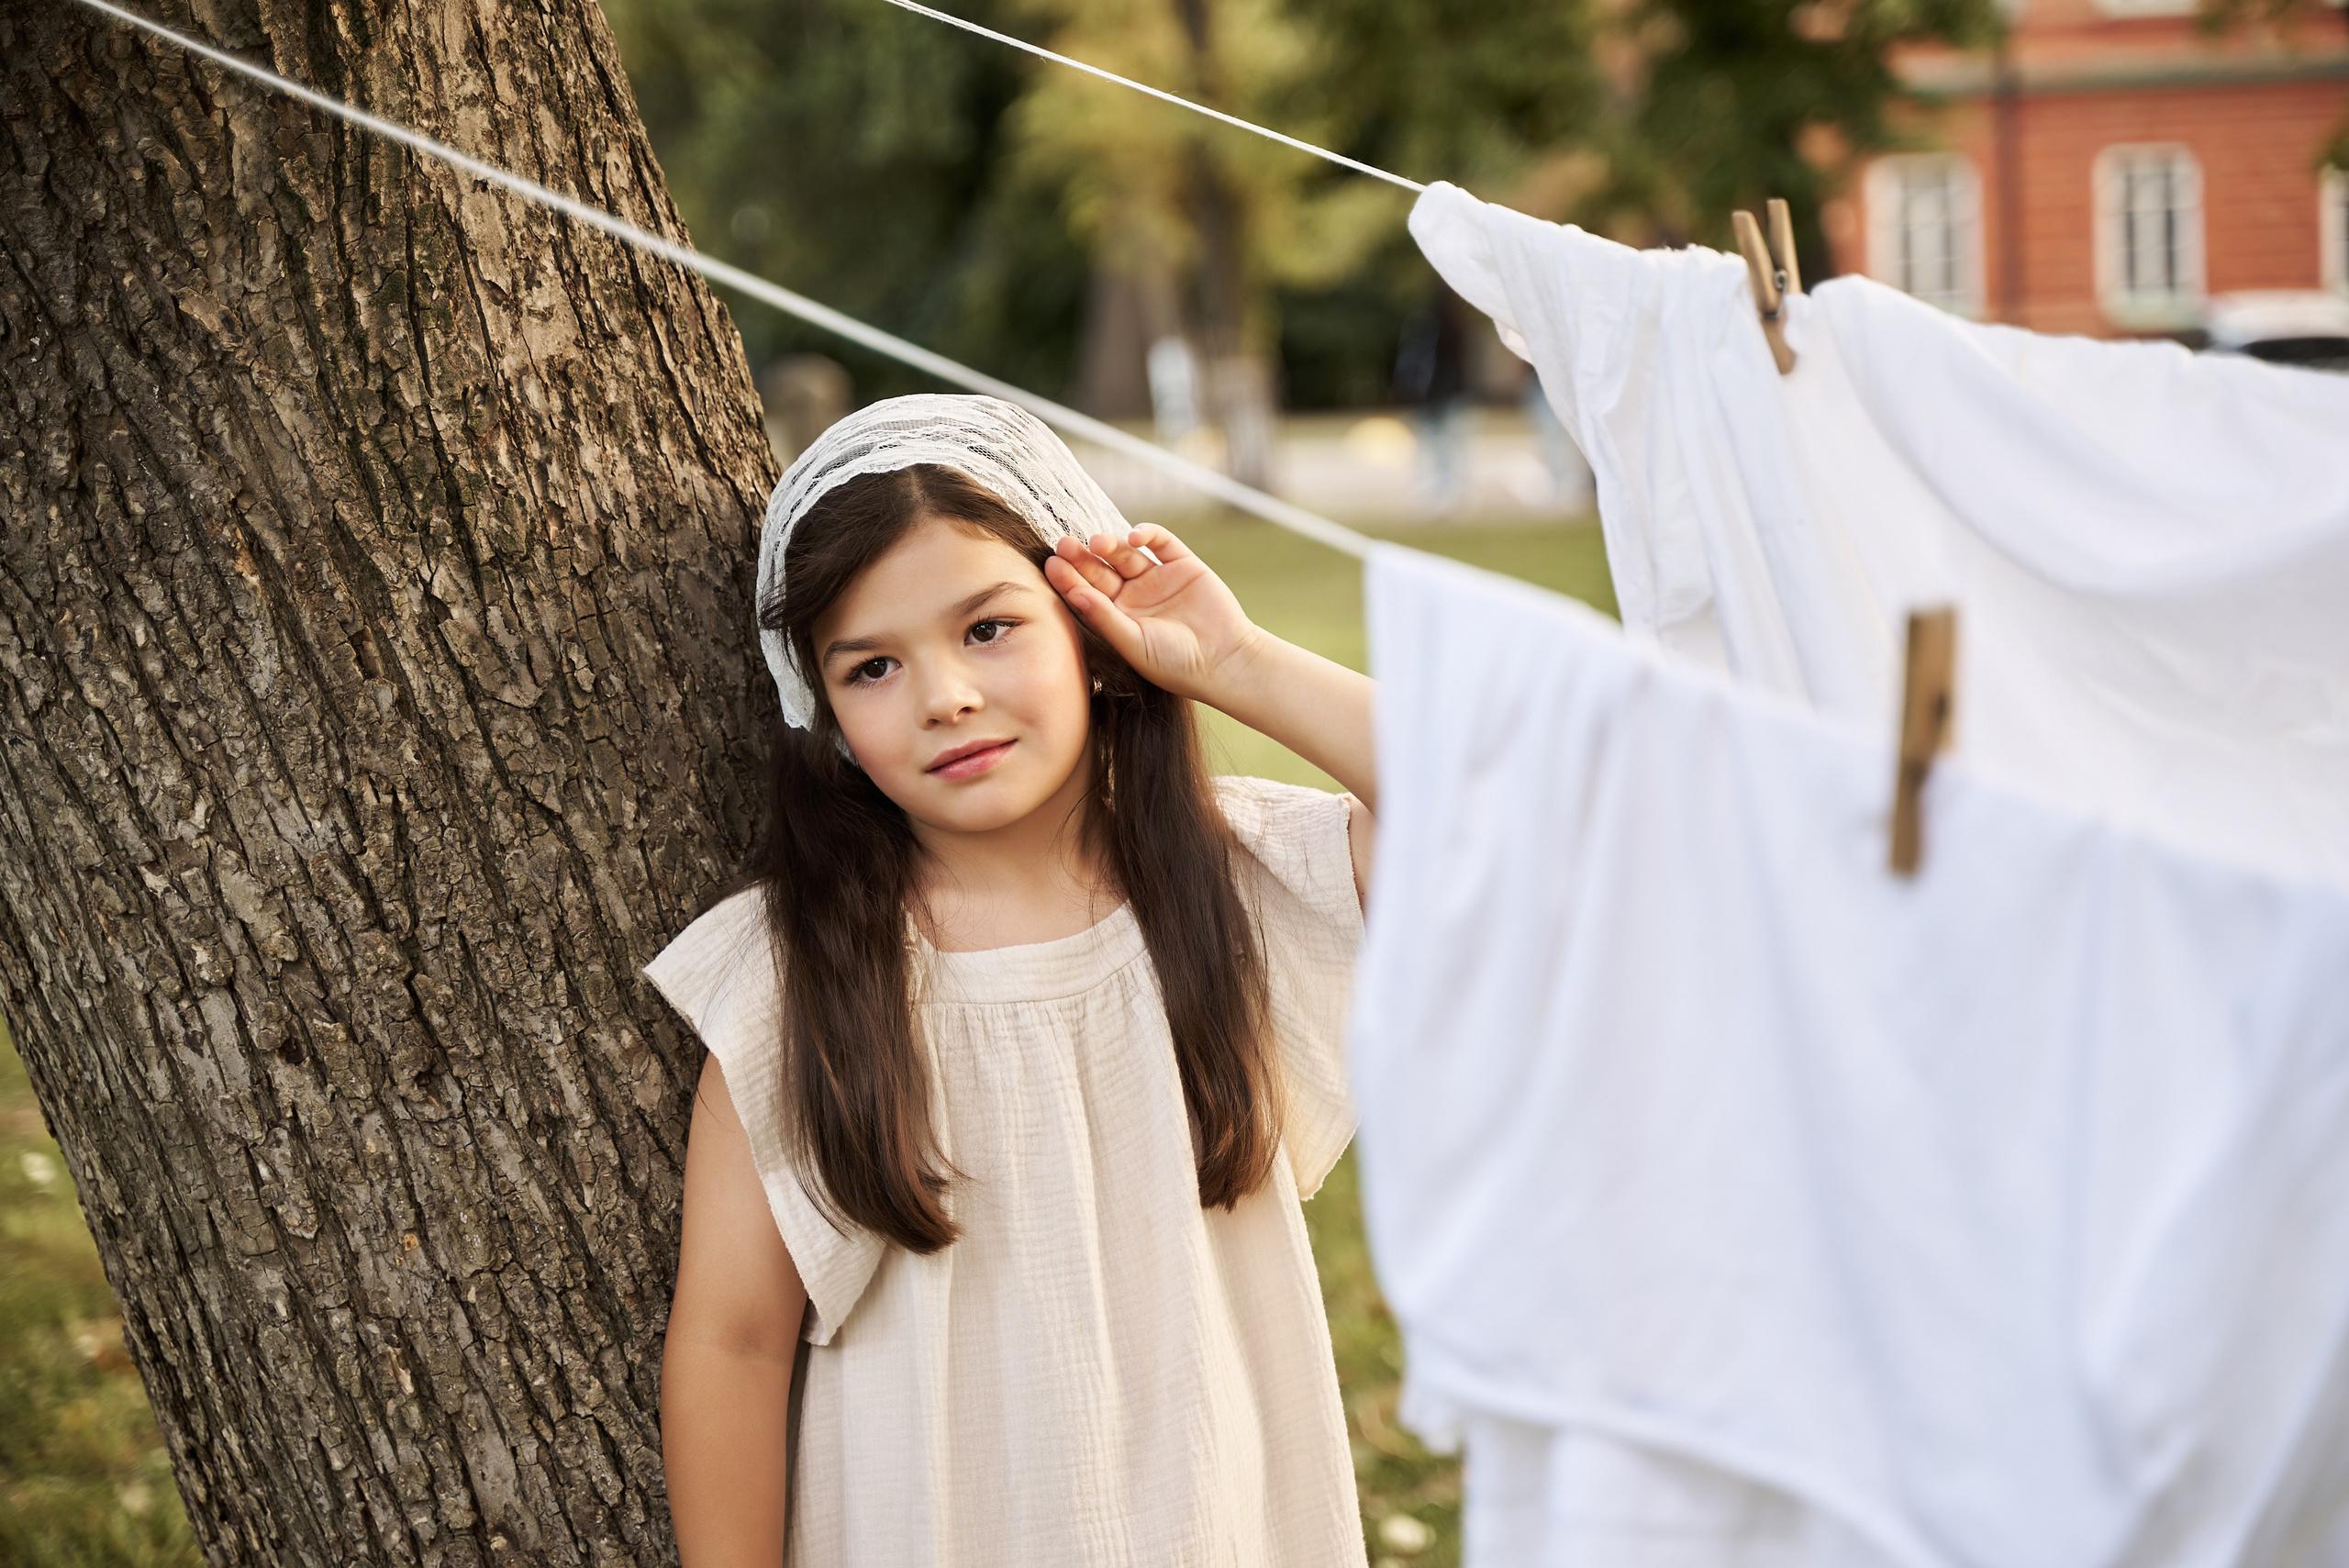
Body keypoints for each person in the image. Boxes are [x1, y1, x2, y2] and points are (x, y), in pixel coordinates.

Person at [647, 394, 1378, 1566]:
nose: (943, 695)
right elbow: (732, 1339)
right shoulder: (798, 971)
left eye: (988, 627)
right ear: (824, 715)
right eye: (874, 664)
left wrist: (1233, 660)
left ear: (1088, 630)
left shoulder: (1233, 879)